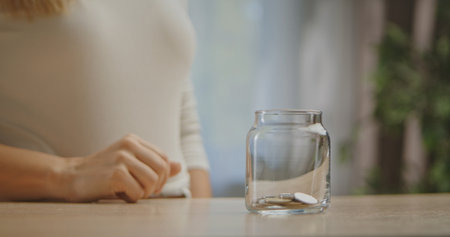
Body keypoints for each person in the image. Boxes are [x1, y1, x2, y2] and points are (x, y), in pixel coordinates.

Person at [0, 0, 212, 202]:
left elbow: (185, 127)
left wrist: (200, 219)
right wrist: (69, 174)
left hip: (174, 219)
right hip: (48, 223)